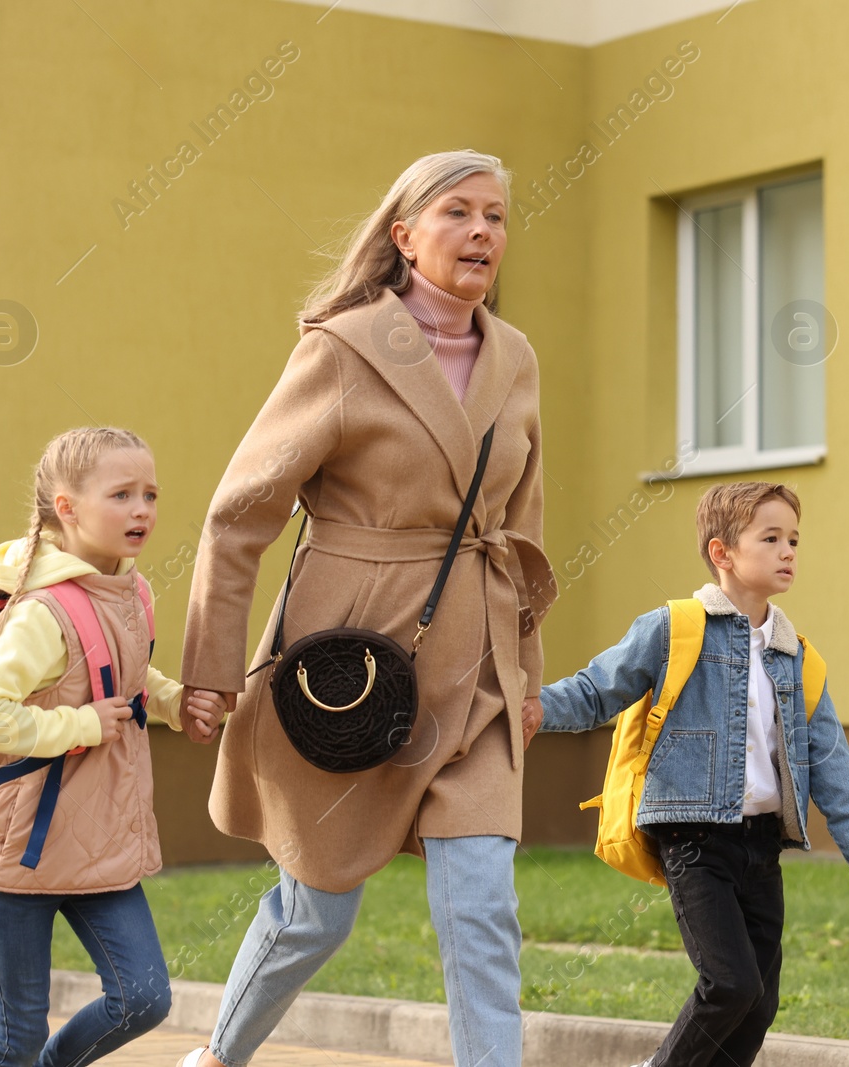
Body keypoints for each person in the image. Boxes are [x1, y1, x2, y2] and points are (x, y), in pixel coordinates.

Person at [176, 149, 555, 1067]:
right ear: (403, 236)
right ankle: (217, 1057)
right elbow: (238, 516)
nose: (480, 233)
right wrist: (211, 671)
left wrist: (530, 677)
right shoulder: (343, 348)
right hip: (347, 665)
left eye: (496, 217)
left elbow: (523, 533)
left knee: (482, 910)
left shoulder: (515, 358)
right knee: (316, 915)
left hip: (478, 681)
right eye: (458, 213)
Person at [538, 481, 849, 1067]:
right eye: (771, 538)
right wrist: (524, 709)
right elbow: (593, 692)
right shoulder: (674, 628)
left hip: (761, 848)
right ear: (722, 553)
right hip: (694, 838)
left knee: (758, 1005)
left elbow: (834, 768)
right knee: (730, 985)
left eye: (793, 539)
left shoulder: (797, 657)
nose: (788, 551)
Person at [0, 426, 227, 1067]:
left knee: (144, 998)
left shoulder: (130, 591)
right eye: (122, 494)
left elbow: (124, 678)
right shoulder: (44, 614)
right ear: (67, 508)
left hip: (101, 842)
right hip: (23, 855)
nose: (142, 510)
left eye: (150, 495)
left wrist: (174, 703)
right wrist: (78, 727)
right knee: (15, 1035)